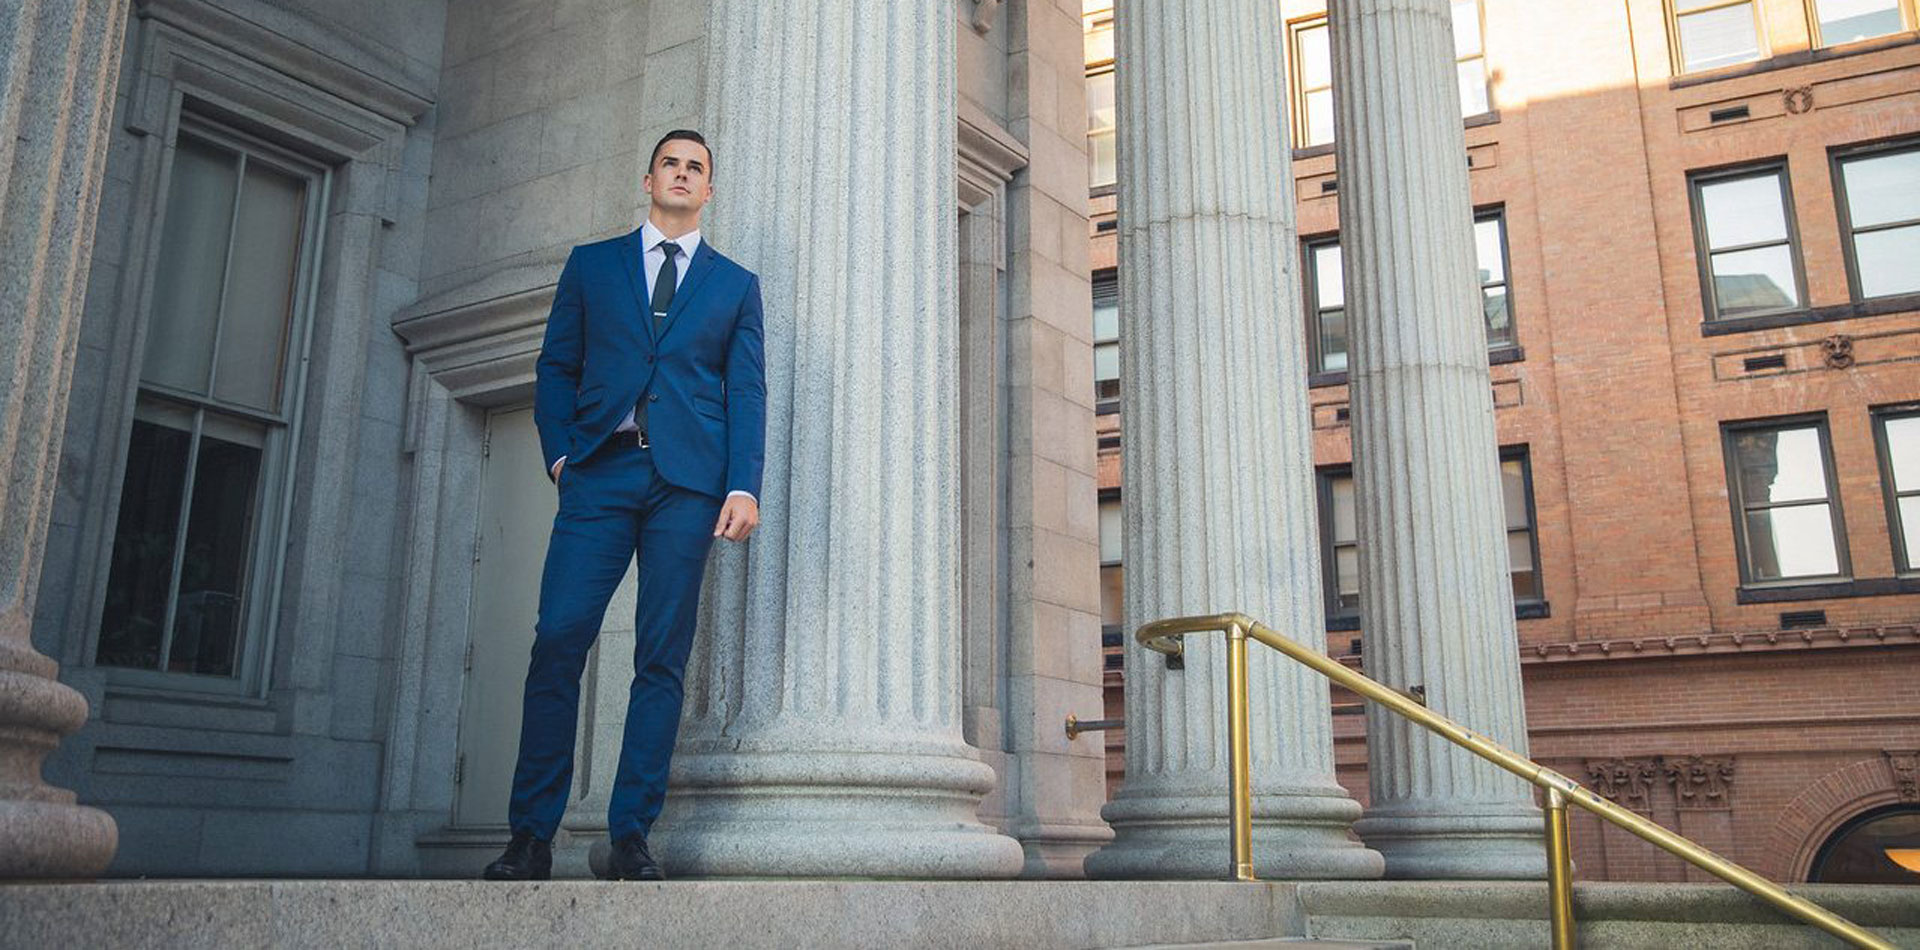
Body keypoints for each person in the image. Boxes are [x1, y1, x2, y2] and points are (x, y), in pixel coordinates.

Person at [481, 129, 765, 882]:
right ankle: (530, 837)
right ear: (648, 180)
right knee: (559, 642)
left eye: (695, 167)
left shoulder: (735, 285)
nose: (681, 174)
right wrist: (560, 453)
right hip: (600, 476)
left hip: (687, 487)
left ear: (708, 190)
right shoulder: (593, 265)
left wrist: (743, 483)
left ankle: (629, 835)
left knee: (660, 661)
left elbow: (745, 390)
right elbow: (556, 365)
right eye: (670, 163)